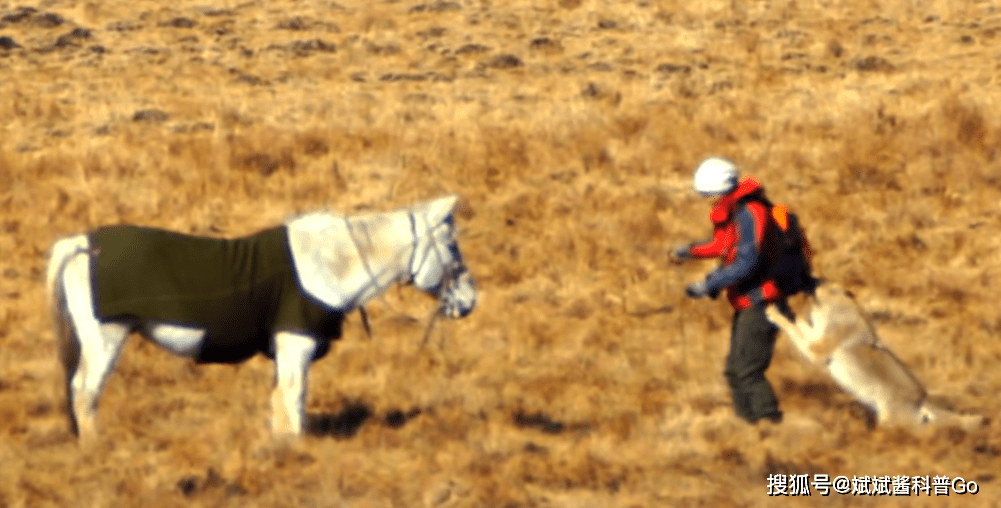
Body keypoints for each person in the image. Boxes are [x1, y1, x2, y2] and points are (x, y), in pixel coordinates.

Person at [671, 157, 812, 425]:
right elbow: (723, 245)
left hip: (763, 303)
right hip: (750, 301)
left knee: (746, 372)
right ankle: (749, 427)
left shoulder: (750, 213)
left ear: (718, 190)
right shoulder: (738, 209)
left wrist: (708, 285)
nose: (706, 200)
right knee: (735, 371)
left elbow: (747, 262)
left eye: (707, 195)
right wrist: (688, 251)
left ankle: (768, 427)